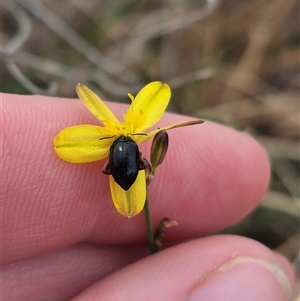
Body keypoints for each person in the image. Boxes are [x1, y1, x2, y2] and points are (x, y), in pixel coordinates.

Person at [1, 92, 295, 301]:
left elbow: (155, 94)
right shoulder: (124, 145)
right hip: (127, 166)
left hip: (125, 166)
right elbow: (65, 144)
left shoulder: (123, 144)